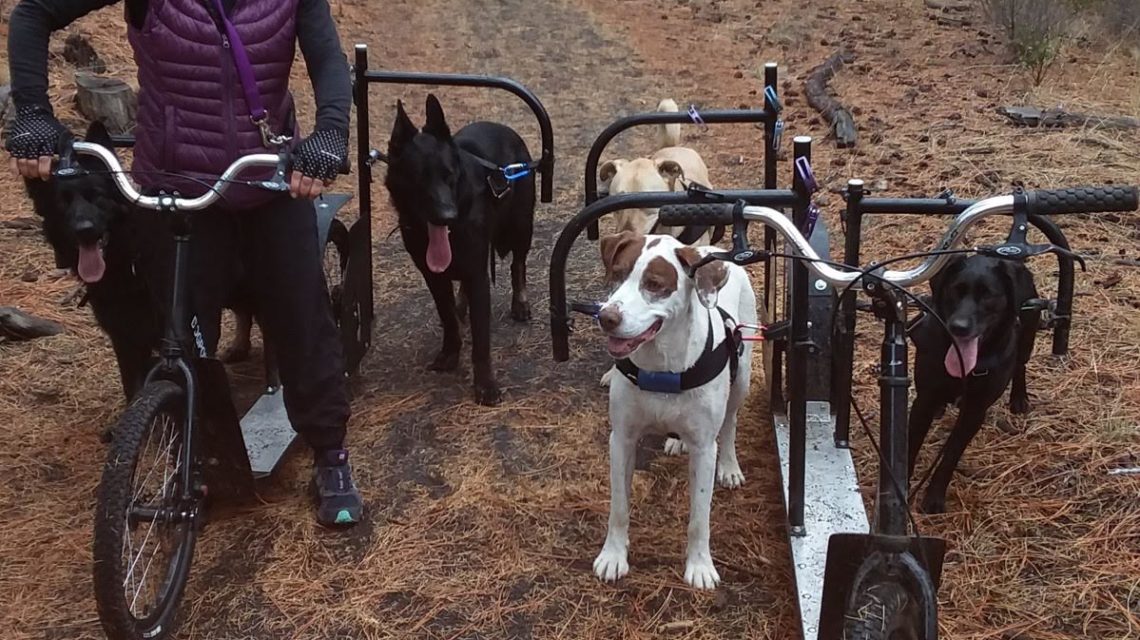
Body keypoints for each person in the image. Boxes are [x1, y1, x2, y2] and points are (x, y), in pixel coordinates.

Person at [5, 0, 364, 527]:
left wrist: (330, 132)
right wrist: (35, 113)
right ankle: (196, 455)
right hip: (178, 188)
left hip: (265, 180)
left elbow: (328, 61)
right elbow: (32, 13)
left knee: (302, 319)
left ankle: (331, 454)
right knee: (180, 331)